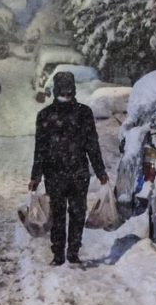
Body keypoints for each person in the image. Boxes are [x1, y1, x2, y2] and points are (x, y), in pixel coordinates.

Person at [28, 71, 108, 266]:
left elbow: (41, 149)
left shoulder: (45, 115)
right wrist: (100, 171)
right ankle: (72, 251)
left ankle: (58, 253)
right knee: (77, 212)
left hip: (54, 173)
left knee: (57, 213)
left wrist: (36, 176)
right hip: (78, 172)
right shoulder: (84, 113)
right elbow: (92, 145)